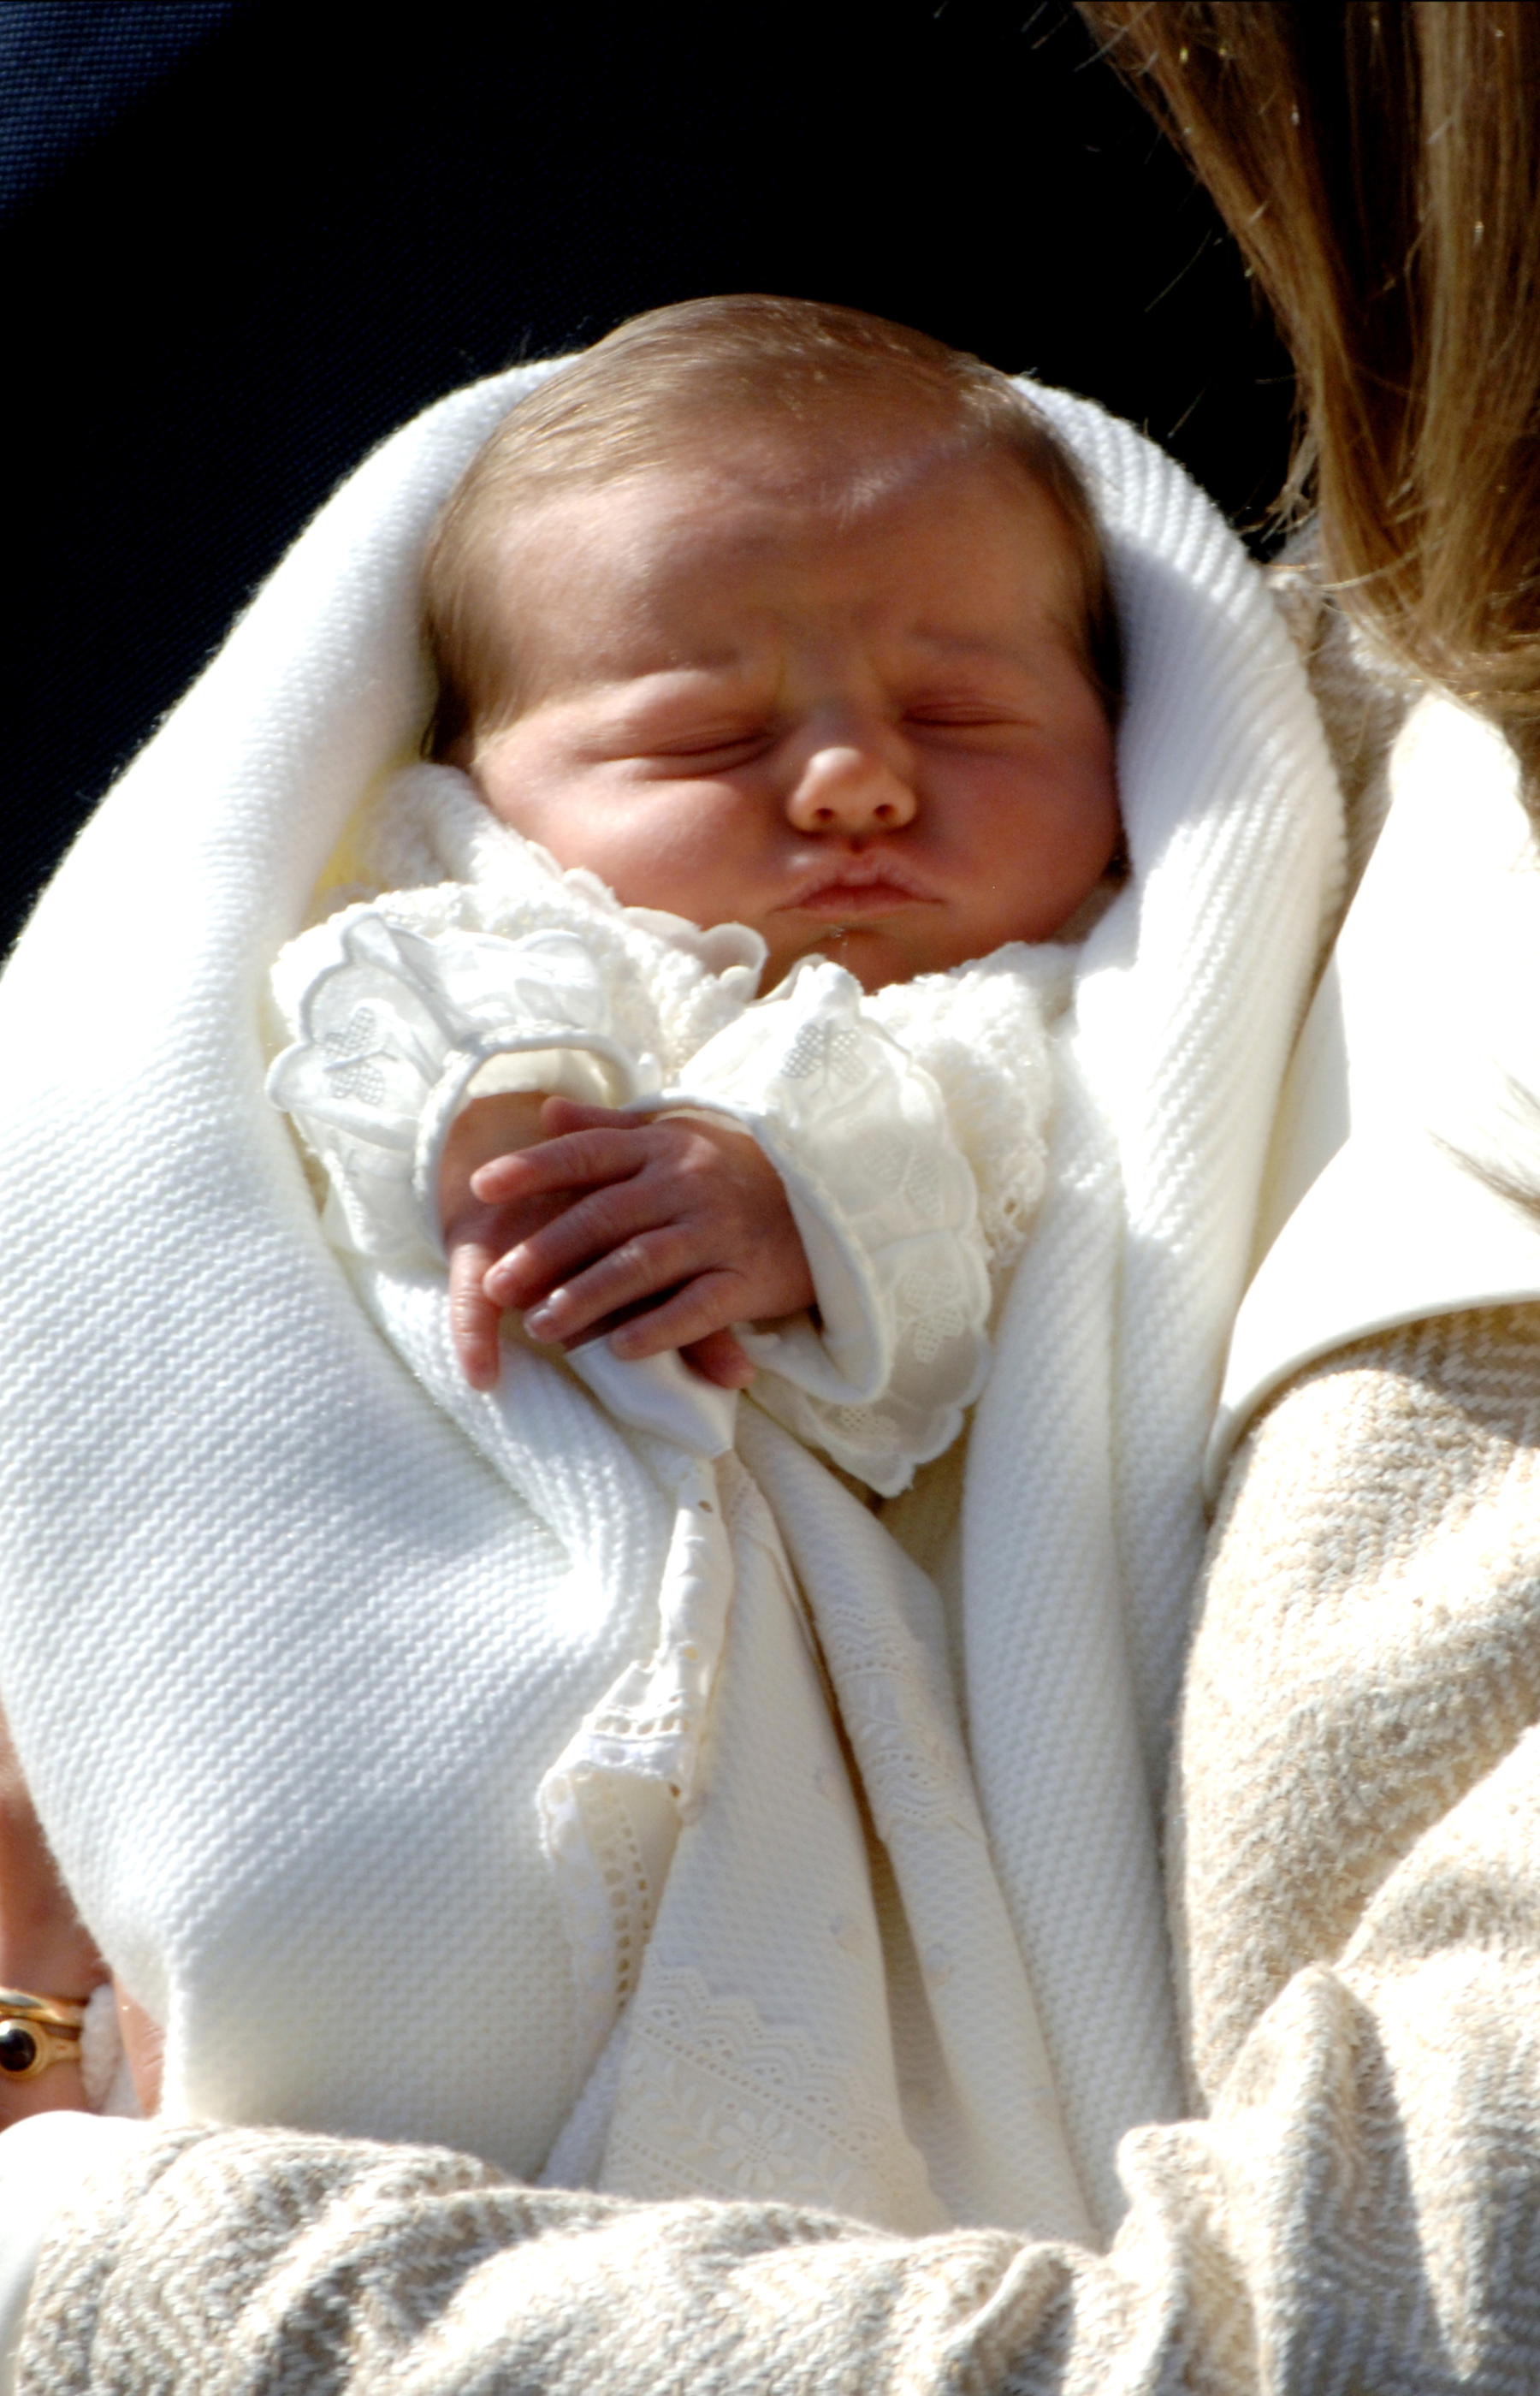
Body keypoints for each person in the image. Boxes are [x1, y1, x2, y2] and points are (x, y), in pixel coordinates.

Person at [7, 4, 1540, 2379]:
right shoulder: (423, 906)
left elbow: (1015, 1172)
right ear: (470, 754)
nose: (848, 788)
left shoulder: (1079, 1022)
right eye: (713, 736)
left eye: (971, 720)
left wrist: (794, 1185)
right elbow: (222, 1187)